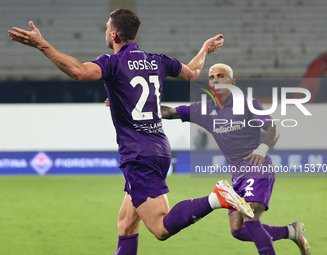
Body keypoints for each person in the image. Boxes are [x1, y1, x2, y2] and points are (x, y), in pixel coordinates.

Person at [8, 9, 255, 254]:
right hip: (158, 149)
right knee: (126, 225)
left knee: (160, 228)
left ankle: (217, 197)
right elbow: (192, 72)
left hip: (138, 155)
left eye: (107, 28)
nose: (105, 31)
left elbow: (79, 71)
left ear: (114, 35)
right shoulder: (156, 60)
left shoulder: (112, 62)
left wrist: (42, 45)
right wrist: (204, 50)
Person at [161, 63, 311, 255]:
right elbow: (170, 112)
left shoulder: (247, 103)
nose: (215, 80)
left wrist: (263, 147)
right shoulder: (204, 109)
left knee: (251, 218)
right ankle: (292, 231)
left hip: (259, 168)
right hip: (238, 176)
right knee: (238, 230)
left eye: (220, 76)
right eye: (211, 77)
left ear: (232, 82)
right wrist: (137, 108)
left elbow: (273, 128)